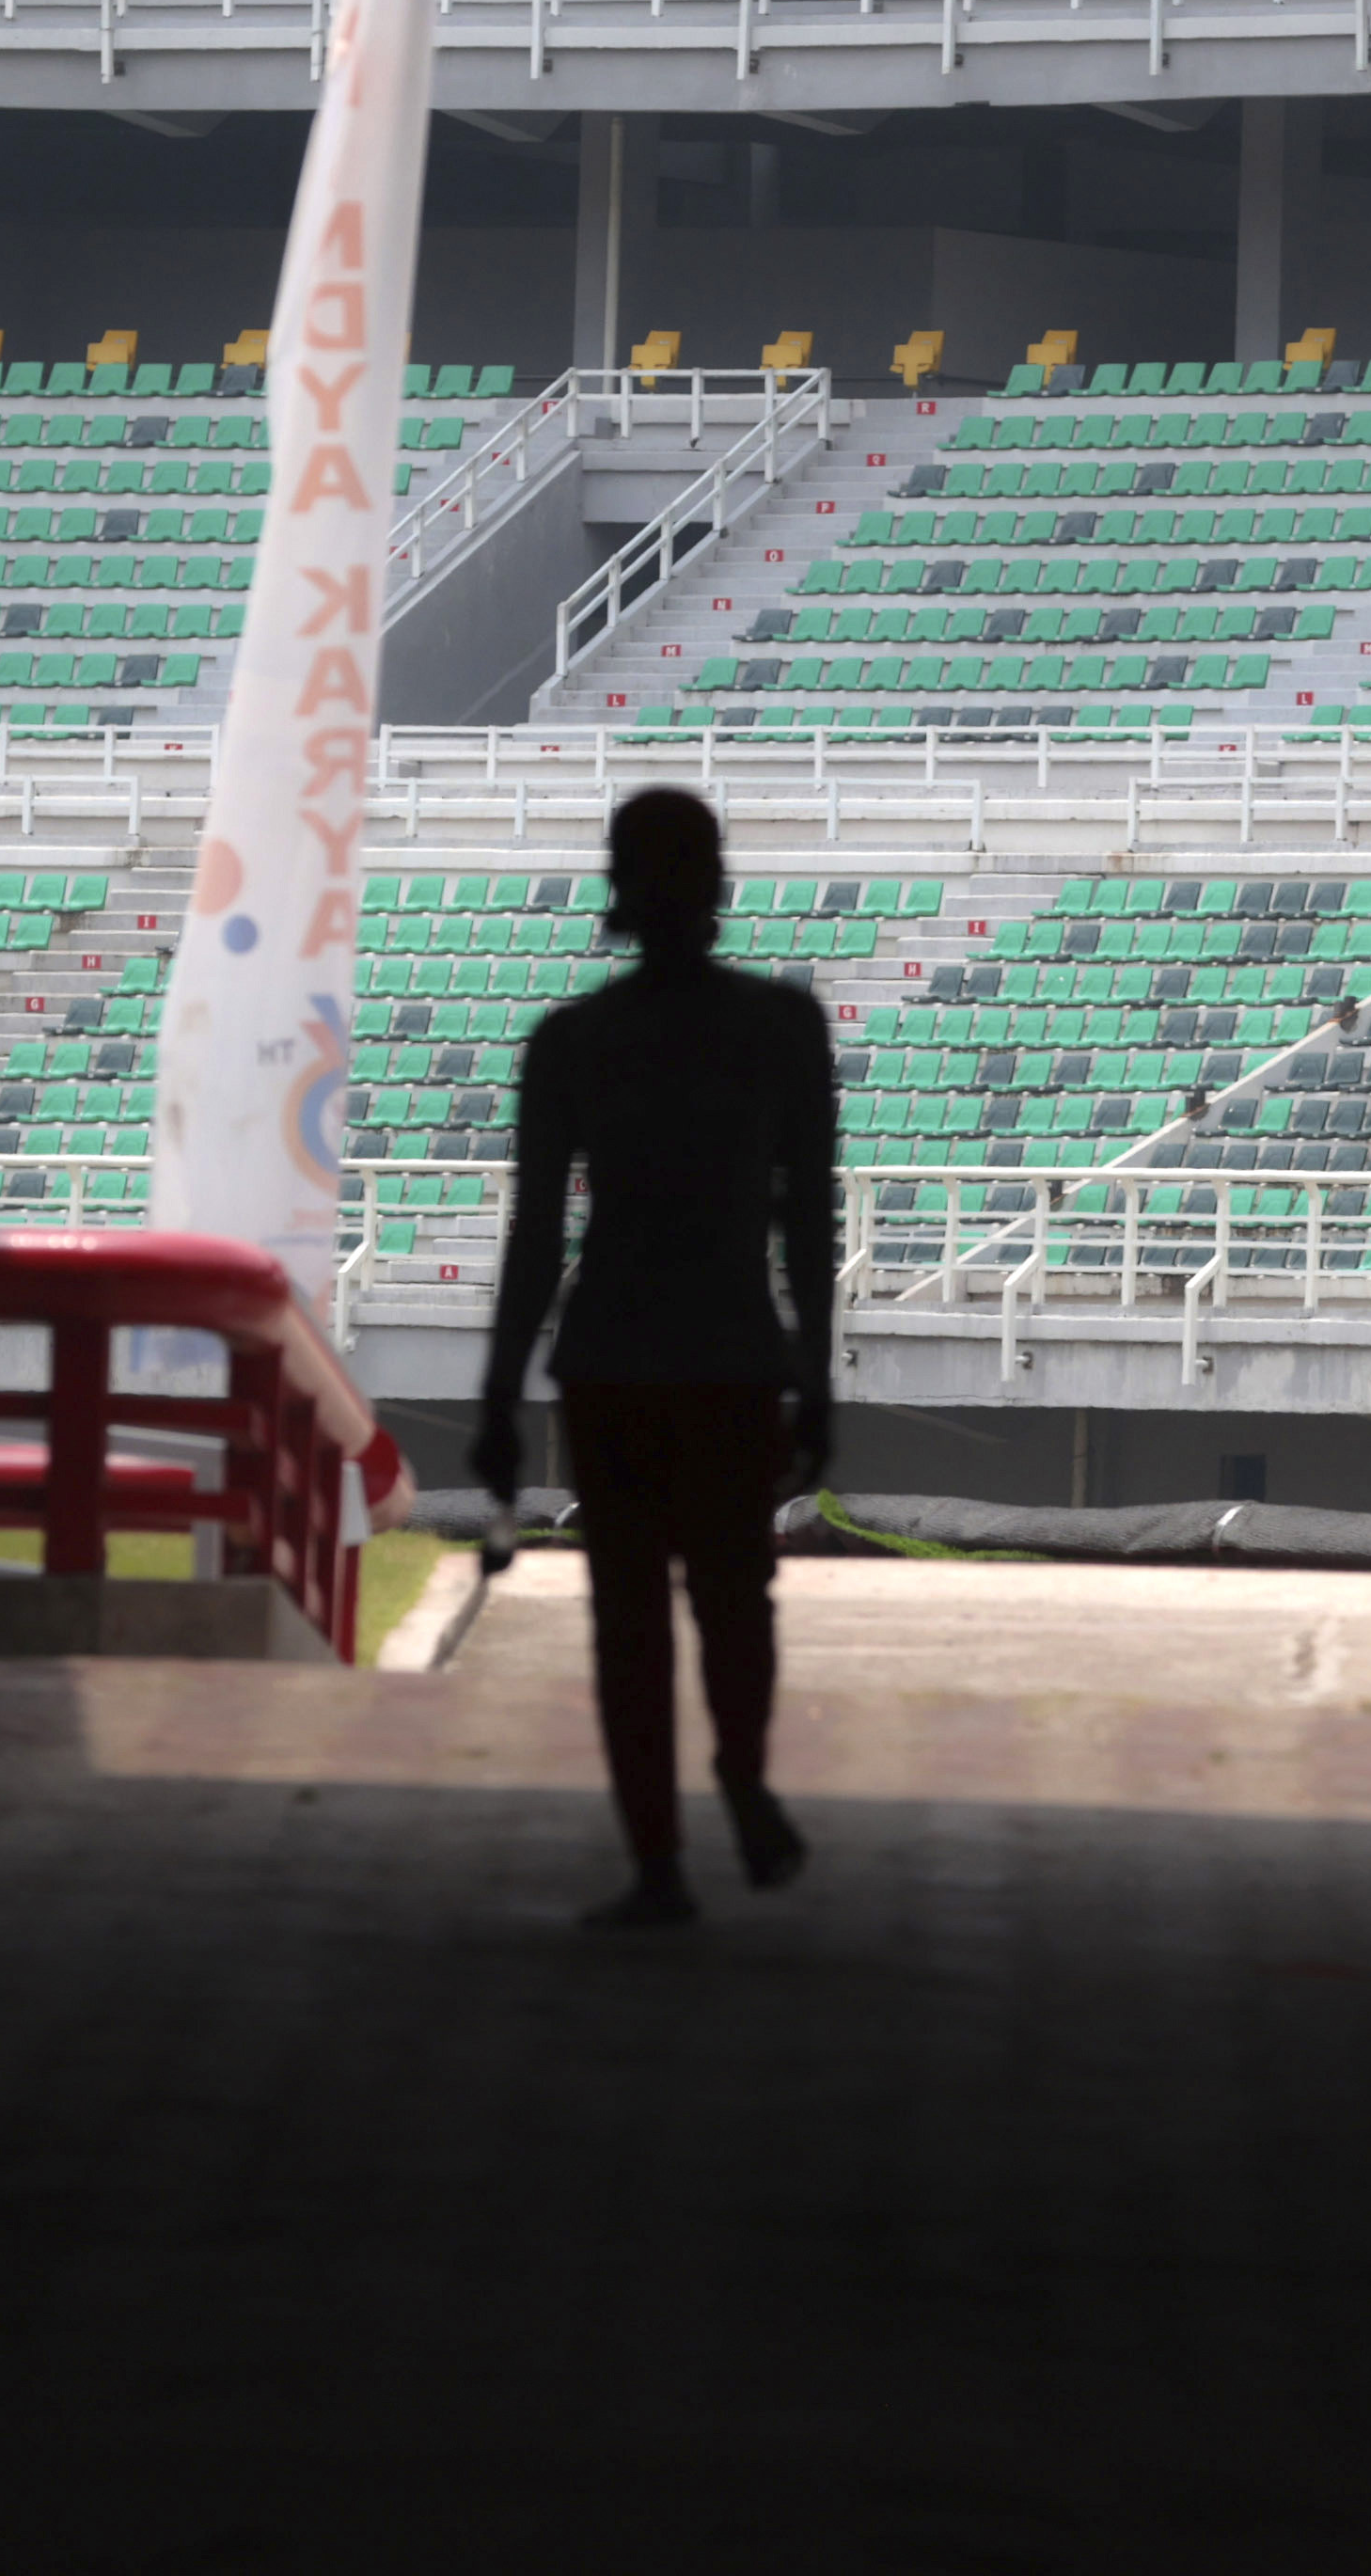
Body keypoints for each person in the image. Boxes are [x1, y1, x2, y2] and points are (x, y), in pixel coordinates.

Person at [475, 787, 842, 1929]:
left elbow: (537, 1240)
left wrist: (496, 1398)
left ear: (619, 891)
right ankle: (737, 1774)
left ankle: (659, 1863)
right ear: (719, 887)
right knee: (738, 1601)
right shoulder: (783, 1028)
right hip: (732, 1352)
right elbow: (808, 1224)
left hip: (618, 1357)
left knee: (627, 1622)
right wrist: (816, 1377)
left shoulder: (573, 1043)